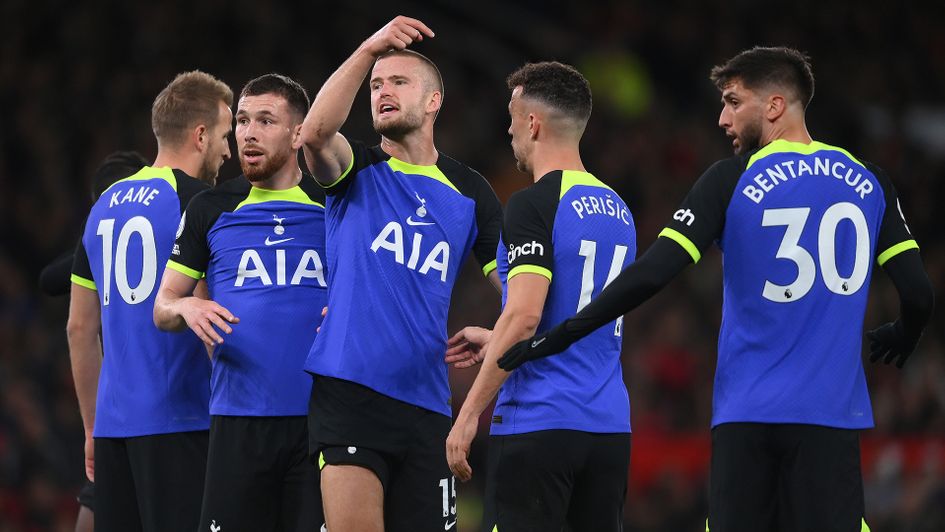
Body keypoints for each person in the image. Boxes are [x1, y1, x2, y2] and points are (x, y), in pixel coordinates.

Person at [499, 47, 935, 532]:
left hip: (746, 416)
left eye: (732, 102)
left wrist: (563, 333)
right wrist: (904, 333)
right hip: (830, 419)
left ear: (773, 106)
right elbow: (918, 293)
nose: (722, 117)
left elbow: (654, 272)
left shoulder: (732, 179)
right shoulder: (870, 181)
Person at [299, 16, 503, 532]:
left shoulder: (469, 191)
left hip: (427, 401)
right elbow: (316, 133)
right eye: (375, 85)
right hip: (349, 390)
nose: (382, 91)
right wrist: (369, 49)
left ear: (434, 101)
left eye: (398, 82)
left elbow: (517, 287)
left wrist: (503, 333)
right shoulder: (357, 169)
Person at [445, 61, 636, 532]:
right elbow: (569, 315)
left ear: (532, 123)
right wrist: (498, 338)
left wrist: (469, 415)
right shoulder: (620, 210)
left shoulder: (533, 203)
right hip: (609, 429)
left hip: (540, 422)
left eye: (511, 120)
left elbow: (526, 317)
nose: (509, 133)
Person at [153, 73, 327, 532]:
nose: (248, 133)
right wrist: (186, 307)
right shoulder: (212, 208)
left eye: (266, 121)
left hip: (322, 423)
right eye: (244, 121)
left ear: (298, 133)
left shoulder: (335, 205)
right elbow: (162, 304)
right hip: (237, 423)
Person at [67, 70, 232, 532]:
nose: (228, 150)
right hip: (183, 422)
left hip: (114, 429)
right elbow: (210, 320)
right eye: (224, 135)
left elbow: (79, 329)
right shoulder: (199, 202)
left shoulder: (103, 205)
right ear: (200, 135)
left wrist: (91, 429)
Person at [40, 151, 148, 532]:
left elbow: (50, 280)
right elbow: (51, 280)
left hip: (119, 408)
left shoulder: (104, 246)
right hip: (157, 405)